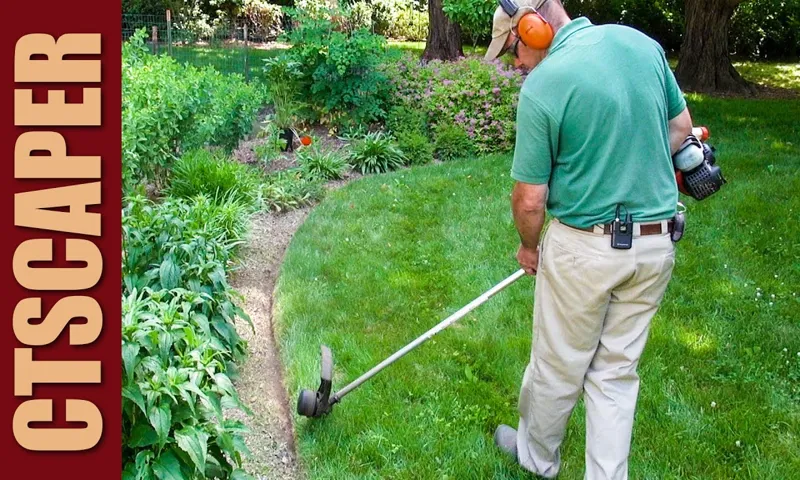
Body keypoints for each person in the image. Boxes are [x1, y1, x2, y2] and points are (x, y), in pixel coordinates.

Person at [484, 0, 694, 479]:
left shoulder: (544, 86)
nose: (516, 63)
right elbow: (681, 130)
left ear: (533, 28)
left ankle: (537, 459)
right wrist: (631, 165)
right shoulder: (641, 44)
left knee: (559, 364)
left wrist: (530, 247)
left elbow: (530, 201)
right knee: (616, 374)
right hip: (655, 246)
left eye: (514, 47)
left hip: (584, 252)